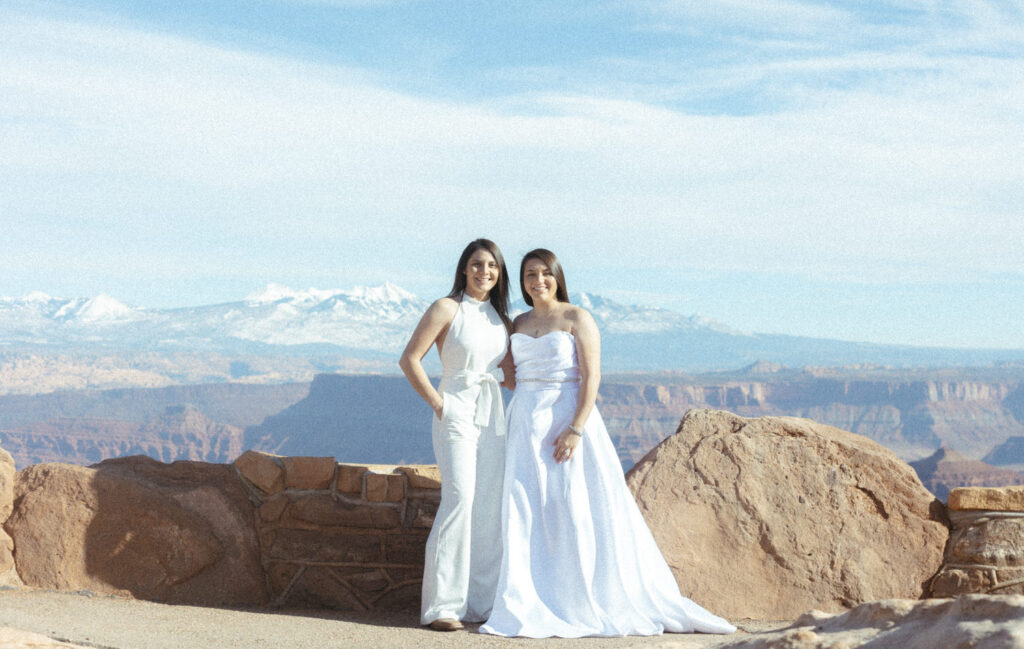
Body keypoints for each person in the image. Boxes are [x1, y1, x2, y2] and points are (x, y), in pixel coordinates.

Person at [479, 249, 736, 638]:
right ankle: (529, 598)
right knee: (523, 506)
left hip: (566, 416)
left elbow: (592, 376)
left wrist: (576, 427)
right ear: (522, 280)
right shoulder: (518, 322)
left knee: (572, 504)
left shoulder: (578, 317)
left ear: (557, 277)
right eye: (530, 274)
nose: (538, 280)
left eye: (545, 273)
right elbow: (513, 377)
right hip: (524, 420)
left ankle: (577, 598)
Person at [399, 239, 513, 632]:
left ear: (500, 273)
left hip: (491, 412)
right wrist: (439, 404)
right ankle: (442, 606)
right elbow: (410, 358)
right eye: (477, 264)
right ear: (464, 268)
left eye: (492, 266)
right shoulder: (447, 308)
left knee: (487, 505)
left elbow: (513, 373)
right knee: (460, 498)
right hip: (456, 410)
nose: (485, 272)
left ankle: (480, 604)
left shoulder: (501, 318)